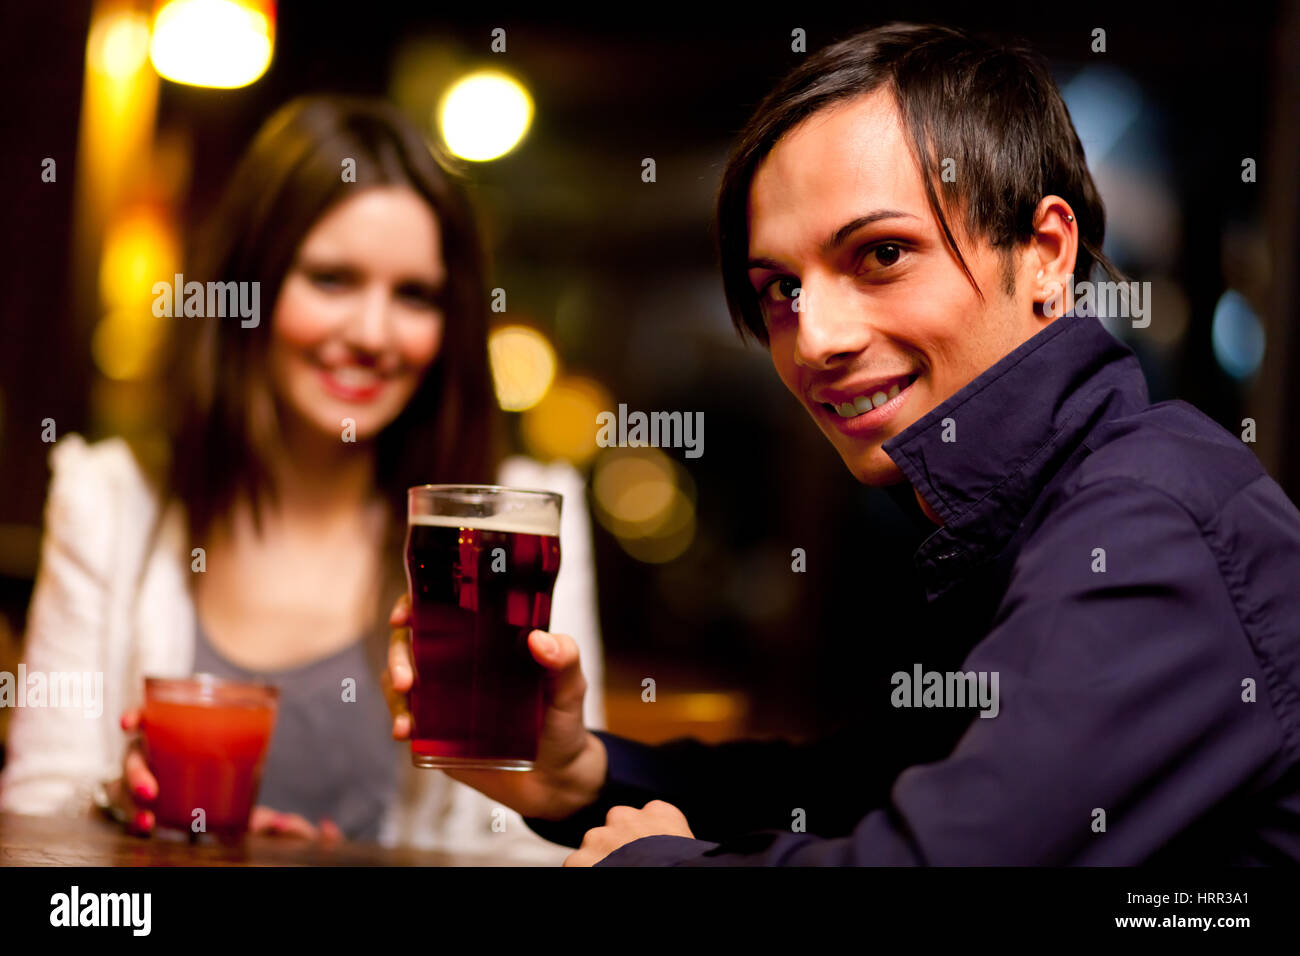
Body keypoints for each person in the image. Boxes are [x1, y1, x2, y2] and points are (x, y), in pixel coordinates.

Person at [386, 22, 1300, 865]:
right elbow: (857, 796)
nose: (815, 337)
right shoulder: (1006, 517)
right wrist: (581, 774)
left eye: (881, 255)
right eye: (780, 288)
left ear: (1047, 253)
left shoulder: (1149, 521)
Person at [0, 96, 605, 863]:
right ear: (249, 287)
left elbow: (540, 845)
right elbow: (33, 819)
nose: (372, 334)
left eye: (414, 295)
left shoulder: (512, 523)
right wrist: (118, 805)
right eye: (331, 279)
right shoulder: (112, 500)